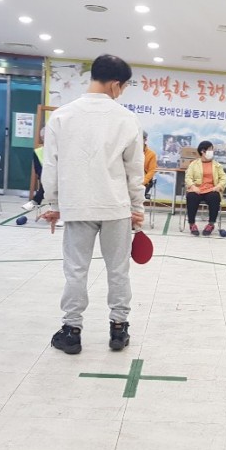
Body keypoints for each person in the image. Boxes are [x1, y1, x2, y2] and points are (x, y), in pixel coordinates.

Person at [40, 54, 145, 355]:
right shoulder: (126, 118)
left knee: (75, 270)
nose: (122, 92)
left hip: (78, 205)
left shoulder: (62, 116)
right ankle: (118, 328)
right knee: (118, 270)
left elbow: (51, 165)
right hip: (116, 206)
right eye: (124, 86)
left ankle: (71, 331)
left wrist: (51, 203)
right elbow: (134, 170)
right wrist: (137, 207)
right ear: (115, 85)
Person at [183, 140, 226, 236]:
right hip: (197, 189)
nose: (212, 152)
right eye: (210, 149)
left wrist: (218, 186)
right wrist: (193, 186)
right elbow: (188, 177)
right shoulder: (194, 164)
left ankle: (211, 224)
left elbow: (223, 178)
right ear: (203, 151)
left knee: (215, 197)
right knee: (191, 197)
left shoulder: (217, 165)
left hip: (211, 190)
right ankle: (192, 224)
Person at [143, 130, 157, 198]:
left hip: (144, 183)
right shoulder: (130, 152)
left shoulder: (151, 154)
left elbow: (152, 171)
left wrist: (143, 182)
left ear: (145, 140)